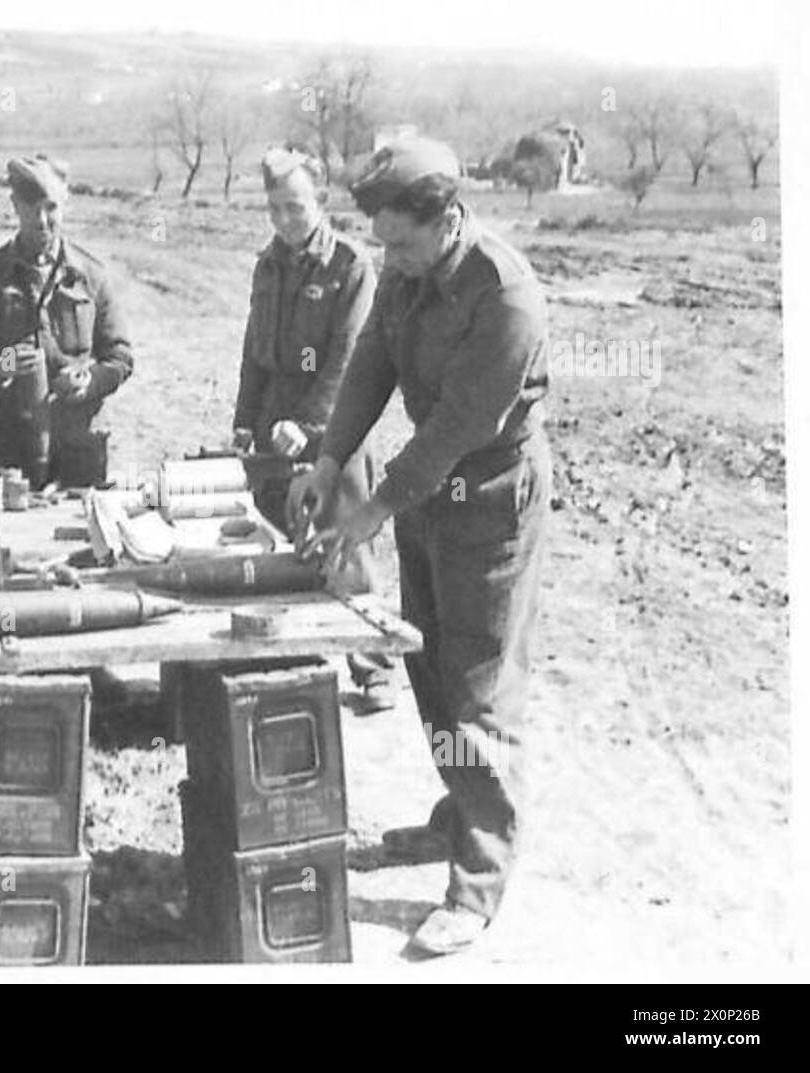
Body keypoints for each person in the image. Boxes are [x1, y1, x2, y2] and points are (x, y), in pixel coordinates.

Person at [288, 137, 551, 956]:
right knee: (426, 662)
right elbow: (371, 362)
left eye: (401, 241)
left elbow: (449, 434)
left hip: (489, 495)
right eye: (382, 243)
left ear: (449, 220)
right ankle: (459, 808)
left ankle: (479, 875)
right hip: (430, 497)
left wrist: (368, 511)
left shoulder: (504, 296)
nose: (388, 259)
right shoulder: (406, 276)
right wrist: (329, 462)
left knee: (475, 682)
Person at [231, 147, 393, 709]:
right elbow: (255, 351)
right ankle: (294, 657)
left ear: (321, 203)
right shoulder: (267, 265)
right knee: (282, 540)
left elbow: (349, 357)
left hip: (339, 425)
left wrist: (310, 424)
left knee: (347, 544)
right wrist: (245, 423)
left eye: (294, 208)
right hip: (277, 423)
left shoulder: (350, 266)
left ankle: (373, 669)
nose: (283, 221)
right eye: (274, 209)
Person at [0, 155, 133, 488]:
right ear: (14, 205)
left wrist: (87, 379)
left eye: (51, 208)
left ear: (65, 204)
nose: (41, 220)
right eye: (30, 208)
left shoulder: (91, 276)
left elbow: (120, 358)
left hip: (79, 445)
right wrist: (11, 364)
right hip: (9, 444)